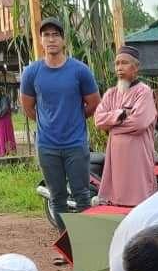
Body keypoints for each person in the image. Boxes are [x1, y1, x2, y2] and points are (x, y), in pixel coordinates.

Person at [20, 17, 100, 223]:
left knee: (82, 195)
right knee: (57, 197)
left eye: (56, 35)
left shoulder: (80, 70)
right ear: (40, 40)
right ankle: (66, 246)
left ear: (64, 40)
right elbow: (28, 108)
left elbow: (93, 103)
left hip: (75, 143)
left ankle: (82, 247)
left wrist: (74, 118)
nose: (51, 39)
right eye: (46, 35)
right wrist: (48, 122)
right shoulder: (32, 73)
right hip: (47, 146)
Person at [94, 45, 158, 206]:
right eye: (117, 64)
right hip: (115, 162)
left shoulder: (144, 92)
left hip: (138, 160)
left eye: (124, 63)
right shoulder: (110, 94)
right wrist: (120, 115)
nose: (119, 68)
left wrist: (112, 127)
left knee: (140, 204)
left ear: (136, 68)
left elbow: (139, 122)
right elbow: (98, 120)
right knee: (116, 204)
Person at [0, 85, 17, 157]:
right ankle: (1, 152)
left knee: (6, 135)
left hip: (5, 120)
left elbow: (5, 108)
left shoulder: (4, 98)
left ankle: (9, 151)